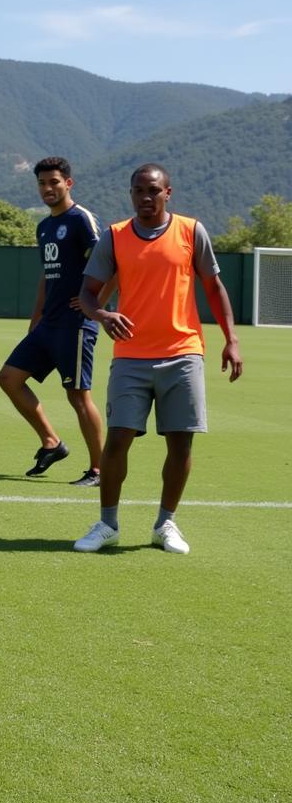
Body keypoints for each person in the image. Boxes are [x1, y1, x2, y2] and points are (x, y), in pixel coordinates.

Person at [73, 163, 243, 554]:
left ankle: (166, 523)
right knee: (117, 441)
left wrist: (231, 339)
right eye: (138, 191)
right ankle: (107, 524)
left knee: (181, 445)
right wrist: (102, 314)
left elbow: (213, 287)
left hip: (183, 354)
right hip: (131, 357)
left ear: (168, 193)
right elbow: (87, 293)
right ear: (131, 194)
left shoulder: (191, 231)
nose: (145, 198)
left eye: (153, 191)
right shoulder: (114, 237)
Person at [0, 157, 105, 485]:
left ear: (68, 183)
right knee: (9, 378)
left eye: (54, 182)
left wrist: (94, 303)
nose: (48, 189)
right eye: (43, 183)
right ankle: (52, 442)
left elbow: (109, 263)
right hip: (48, 324)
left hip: (75, 324)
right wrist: (36, 318)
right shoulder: (44, 227)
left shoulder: (81, 219)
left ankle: (100, 470)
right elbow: (47, 276)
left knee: (77, 396)